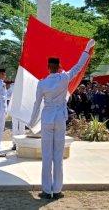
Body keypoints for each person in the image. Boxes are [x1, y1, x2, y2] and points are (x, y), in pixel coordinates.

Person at [29, 39, 94, 200]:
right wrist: (87, 49)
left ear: (47, 68)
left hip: (47, 117)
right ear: (58, 67)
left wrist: (31, 122)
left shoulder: (42, 83)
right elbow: (78, 67)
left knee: (47, 154)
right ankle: (57, 189)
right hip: (60, 117)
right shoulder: (64, 78)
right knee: (58, 154)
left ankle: (46, 190)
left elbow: (37, 103)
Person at [8, 83, 25, 151]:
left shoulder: (26, 85)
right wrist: (13, 98)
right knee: (14, 127)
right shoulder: (12, 86)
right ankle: (14, 143)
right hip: (14, 108)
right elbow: (7, 96)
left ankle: (22, 144)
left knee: (22, 127)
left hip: (23, 109)